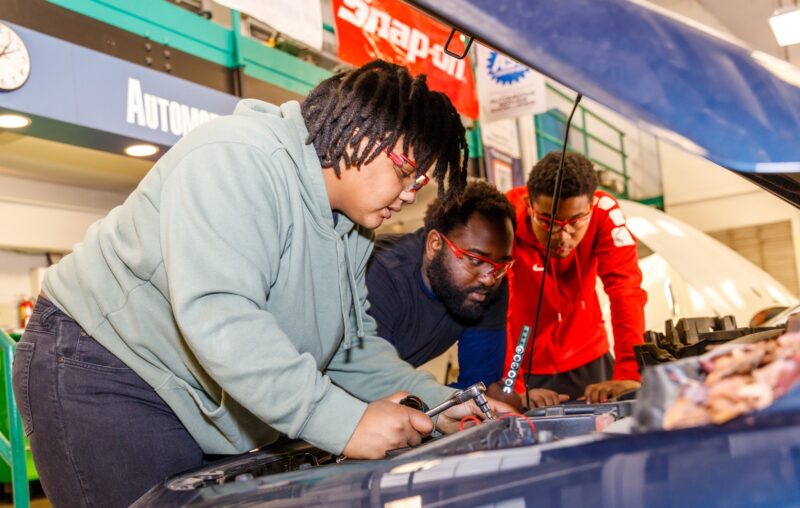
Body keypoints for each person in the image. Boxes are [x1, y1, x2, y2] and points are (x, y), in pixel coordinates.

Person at [12, 60, 511, 508]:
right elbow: (222, 316)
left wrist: (440, 402)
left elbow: (349, 347)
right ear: (359, 132)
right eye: (406, 172)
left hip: (187, 388)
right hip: (102, 367)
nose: (408, 196)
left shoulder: (351, 227)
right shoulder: (239, 158)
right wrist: (343, 420)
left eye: (420, 184)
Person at [504, 151, 647, 407]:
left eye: (576, 221)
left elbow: (625, 291)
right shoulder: (504, 217)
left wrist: (629, 374)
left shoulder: (605, 213)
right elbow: (495, 310)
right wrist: (510, 385)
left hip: (588, 353)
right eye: (549, 221)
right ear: (529, 205)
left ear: (591, 206)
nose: (563, 236)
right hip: (521, 358)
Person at [366, 181, 516, 400]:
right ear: (435, 244)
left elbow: (479, 383)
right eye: (475, 260)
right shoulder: (380, 273)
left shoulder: (488, 287)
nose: (489, 278)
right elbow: (372, 383)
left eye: (500, 265)